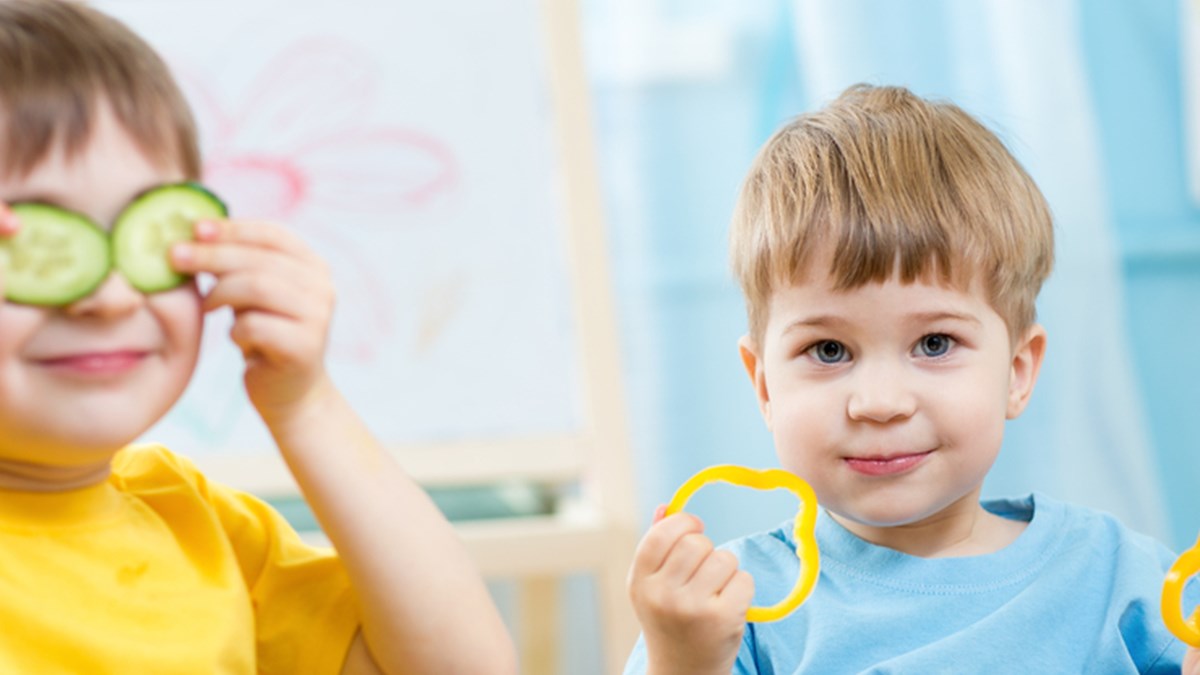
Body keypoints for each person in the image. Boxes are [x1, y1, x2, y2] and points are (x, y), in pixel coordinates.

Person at [0, 1, 516, 673]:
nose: (110, 296)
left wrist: (308, 406)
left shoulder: (194, 523)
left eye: (149, 234)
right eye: (35, 247)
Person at [624, 83, 1200, 674]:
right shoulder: (730, 614)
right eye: (828, 350)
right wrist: (683, 660)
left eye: (934, 343)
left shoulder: (1121, 583)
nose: (879, 403)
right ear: (765, 385)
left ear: (1017, 373)